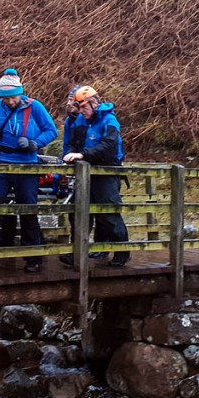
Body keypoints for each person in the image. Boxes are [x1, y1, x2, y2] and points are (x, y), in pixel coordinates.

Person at [0, 68, 57, 273]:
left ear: (20, 93)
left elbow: (52, 130)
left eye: (13, 97)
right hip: (3, 162)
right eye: (6, 98)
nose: (10, 102)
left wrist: (35, 143)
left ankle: (33, 257)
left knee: (28, 209)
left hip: (27, 163)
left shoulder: (35, 107)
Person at [62, 86, 130, 268]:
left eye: (84, 107)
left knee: (108, 213)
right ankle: (77, 251)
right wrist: (69, 156)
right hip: (84, 173)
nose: (82, 111)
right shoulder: (80, 122)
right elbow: (71, 143)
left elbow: (109, 146)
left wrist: (83, 155)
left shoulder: (109, 121)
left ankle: (122, 253)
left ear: (94, 103)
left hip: (107, 172)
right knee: (78, 212)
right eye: (80, 108)